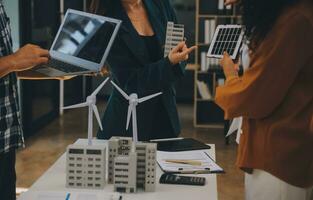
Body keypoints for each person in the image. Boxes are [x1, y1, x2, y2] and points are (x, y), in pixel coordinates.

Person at [216, 0, 313, 199]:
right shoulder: (289, 15)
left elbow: (253, 97)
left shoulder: (293, 21)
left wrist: (230, 78)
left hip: (278, 158)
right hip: (276, 154)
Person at [90, 0, 196, 141]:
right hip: (126, 123)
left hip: (165, 119)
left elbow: (178, 54)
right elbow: (131, 81)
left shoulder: (161, 4)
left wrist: (179, 58)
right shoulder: (107, 19)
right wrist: (169, 62)